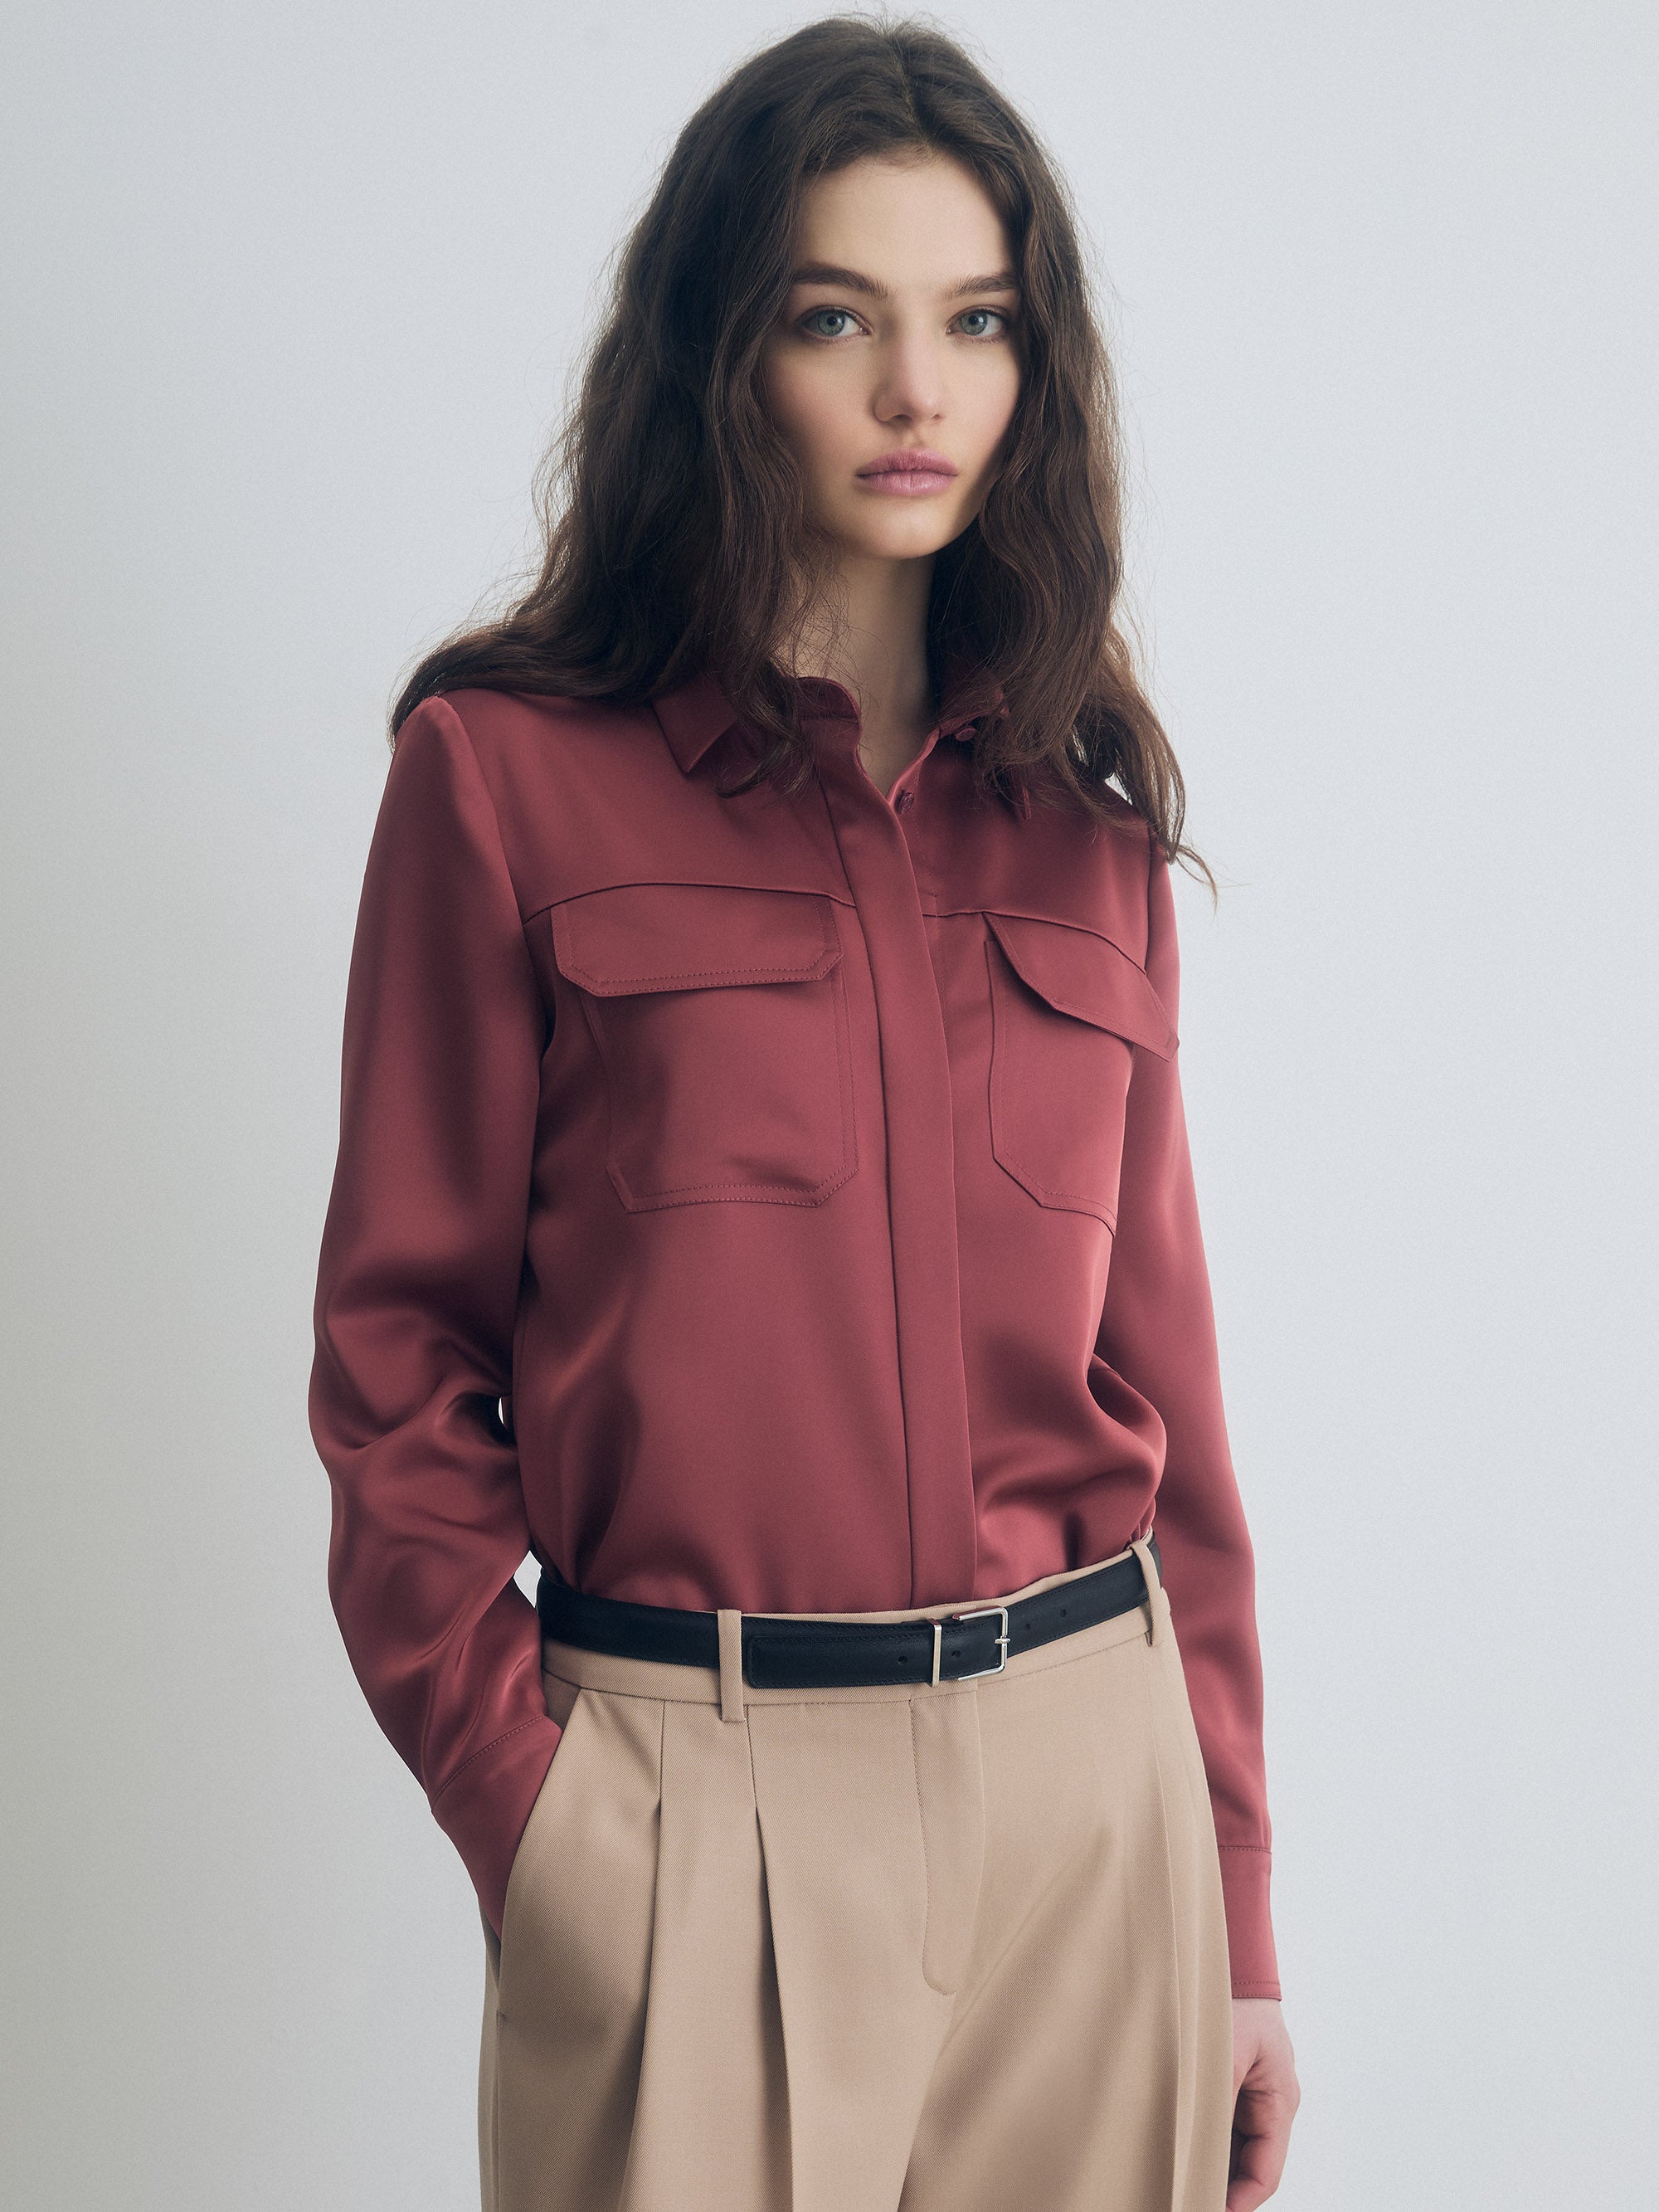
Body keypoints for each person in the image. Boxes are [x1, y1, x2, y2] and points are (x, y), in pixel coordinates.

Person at [309, 17, 1300, 2210]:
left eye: (977, 323)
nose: (916, 391)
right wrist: (544, 1821)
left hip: (1090, 1817)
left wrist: (1231, 1912)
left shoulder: (1088, 829)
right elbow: (397, 1367)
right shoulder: (501, 779)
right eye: (835, 317)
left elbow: (1175, 1408)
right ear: (720, 357)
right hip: (691, 1800)